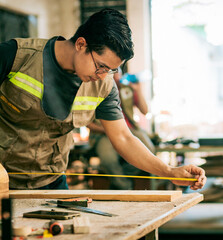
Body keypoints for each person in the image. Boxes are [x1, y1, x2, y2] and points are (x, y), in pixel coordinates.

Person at [0, 8, 206, 190]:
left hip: (50, 181)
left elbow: (123, 138)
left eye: (111, 70)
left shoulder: (104, 84)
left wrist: (169, 171)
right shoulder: (16, 56)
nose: (102, 75)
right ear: (81, 44)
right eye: (100, 66)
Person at [87, 71, 155, 190]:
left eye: (117, 71)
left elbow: (144, 110)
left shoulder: (126, 89)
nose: (115, 75)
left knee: (149, 150)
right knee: (108, 159)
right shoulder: (93, 90)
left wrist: (138, 90)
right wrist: (105, 129)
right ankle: (124, 186)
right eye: (111, 71)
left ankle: (120, 178)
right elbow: (86, 122)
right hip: (104, 132)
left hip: (129, 129)